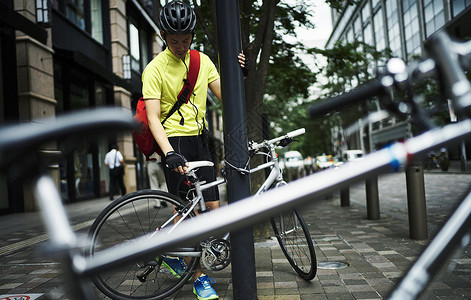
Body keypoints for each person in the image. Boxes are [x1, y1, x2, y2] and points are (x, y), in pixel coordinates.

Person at [142, 1, 246, 299]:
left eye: (185, 40)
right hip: (172, 141)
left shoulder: (202, 62)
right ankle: (197, 276)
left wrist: (239, 75)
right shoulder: (154, 69)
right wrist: (168, 153)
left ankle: (171, 250)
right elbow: (152, 118)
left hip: (199, 140)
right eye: (173, 40)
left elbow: (227, 97)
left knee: (212, 209)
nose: (180, 46)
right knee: (186, 212)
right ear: (163, 35)